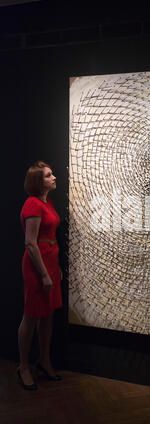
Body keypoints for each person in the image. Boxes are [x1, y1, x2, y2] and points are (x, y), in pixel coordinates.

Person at [18, 161, 63, 390]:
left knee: (48, 315)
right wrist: (45, 275)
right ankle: (24, 366)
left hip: (50, 264)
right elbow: (31, 244)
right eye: (48, 175)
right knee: (32, 315)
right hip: (38, 268)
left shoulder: (47, 202)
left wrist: (56, 270)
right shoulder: (32, 204)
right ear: (38, 182)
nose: (54, 177)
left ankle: (44, 360)